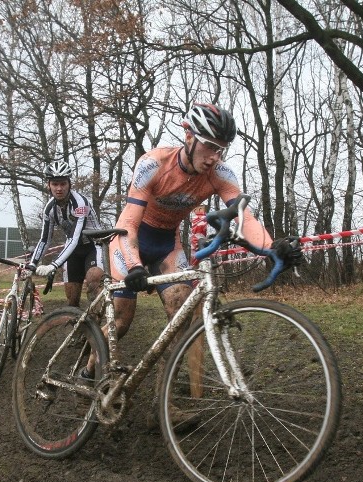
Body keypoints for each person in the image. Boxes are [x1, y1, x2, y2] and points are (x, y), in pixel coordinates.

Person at [103, 102, 284, 427]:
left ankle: (162, 406)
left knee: (181, 315)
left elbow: (245, 217)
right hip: (130, 241)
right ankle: (89, 368)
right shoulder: (153, 163)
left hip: (165, 244)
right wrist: (133, 265)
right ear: (189, 135)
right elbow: (129, 222)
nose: (215, 156)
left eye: (222, 148)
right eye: (210, 146)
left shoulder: (220, 174)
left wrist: (273, 248)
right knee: (121, 320)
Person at [26, 160, 104, 308]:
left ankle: (98, 323)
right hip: (73, 251)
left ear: (69, 184)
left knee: (93, 281)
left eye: (63, 184)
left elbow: (74, 238)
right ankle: (77, 326)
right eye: (55, 184)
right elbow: (44, 240)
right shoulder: (49, 209)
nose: (59, 188)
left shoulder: (80, 203)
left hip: (93, 246)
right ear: (49, 185)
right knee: (71, 299)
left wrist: (53, 265)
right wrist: (32, 264)